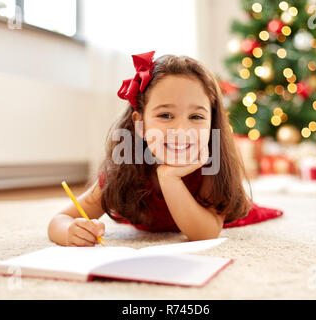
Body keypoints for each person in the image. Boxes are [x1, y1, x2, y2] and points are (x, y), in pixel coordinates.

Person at [48, 51, 283, 247]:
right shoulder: (125, 169)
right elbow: (60, 219)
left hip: (228, 214)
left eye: (196, 116)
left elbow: (205, 234)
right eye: (165, 115)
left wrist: (170, 178)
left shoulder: (209, 165)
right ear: (140, 124)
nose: (181, 129)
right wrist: (69, 230)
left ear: (212, 122)